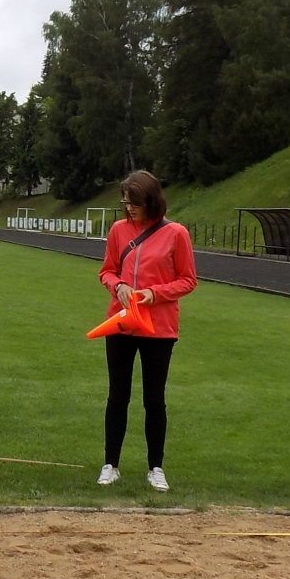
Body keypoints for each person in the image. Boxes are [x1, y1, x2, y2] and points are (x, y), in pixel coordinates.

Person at [97, 170, 197, 492]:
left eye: (134, 203)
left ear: (151, 201)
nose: (129, 209)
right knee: (118, 396)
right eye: (125, 203)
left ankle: (156, 467)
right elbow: (107, 271)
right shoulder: (118, 230)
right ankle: (111, 464)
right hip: (121, 324)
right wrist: (119, 286)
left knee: (154, 399)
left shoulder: (176, 233)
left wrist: (155, 294)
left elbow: (188, 280)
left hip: (159, 329)